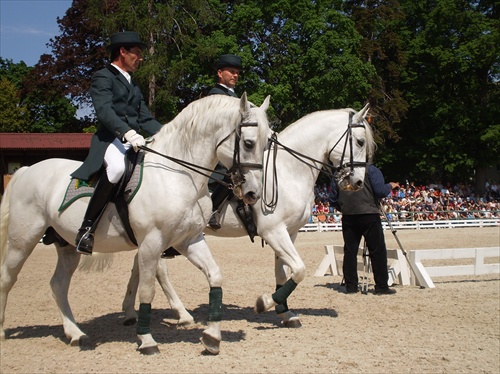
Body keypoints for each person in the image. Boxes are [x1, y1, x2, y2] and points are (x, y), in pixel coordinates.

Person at [71, 31, 163, 255]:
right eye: (137, 53)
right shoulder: (103, 76)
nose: (140, 58)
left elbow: (145, 119)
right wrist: (127, 132)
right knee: (117, 168)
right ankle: (86, 229)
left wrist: (167, 134)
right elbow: (104, 111)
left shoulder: (133, 84)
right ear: (122, 51)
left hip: (132, 140)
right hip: (110, 139)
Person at [329, 164, 400, 295]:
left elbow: (333, 198)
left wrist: (345, 208)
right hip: (369, 214)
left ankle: (351, 286)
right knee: (377, 251)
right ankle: (381, 286)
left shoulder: (339, 172)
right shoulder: (371, 169)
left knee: (350, 251)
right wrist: (390, 185)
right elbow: (380, 191)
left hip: (349, 216)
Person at [207, 54, 243, 229]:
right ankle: (212, 209)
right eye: (232, 72)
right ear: (220, 73)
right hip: (219, 145)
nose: (235, 75)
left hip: (234, 144)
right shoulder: (215, 94)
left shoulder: (235, 96)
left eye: (237, 73)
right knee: (233, 170)